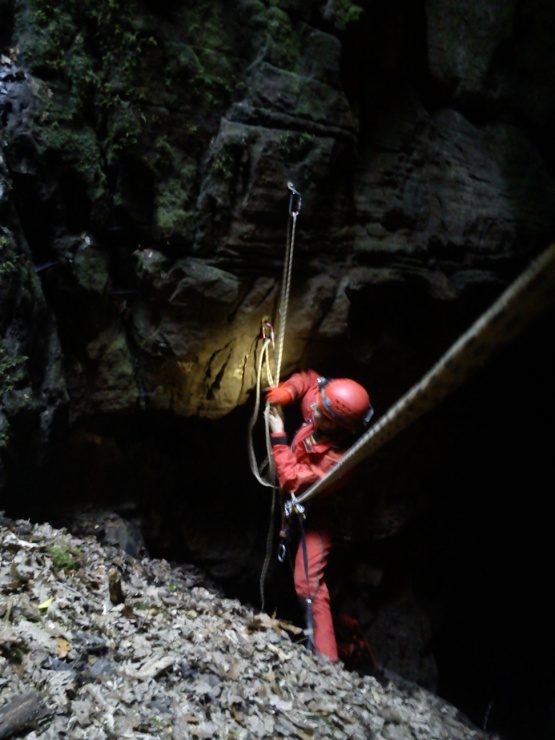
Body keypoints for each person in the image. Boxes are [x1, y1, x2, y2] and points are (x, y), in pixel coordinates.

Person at [265, 369, 373, 663]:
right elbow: (310, 380)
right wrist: (288, 390)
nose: (312, 408)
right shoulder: (325, 407)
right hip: (301, 508)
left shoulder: (336, 461)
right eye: (318, 403)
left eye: (320, 411)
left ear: (336, 426)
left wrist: (278, 432)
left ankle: (329, 663)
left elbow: (290, 478)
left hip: (321, 516)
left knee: (308, 584)